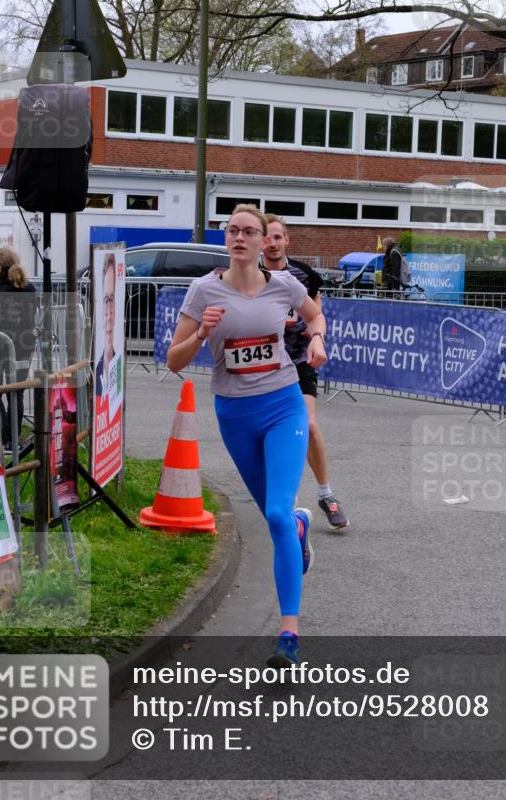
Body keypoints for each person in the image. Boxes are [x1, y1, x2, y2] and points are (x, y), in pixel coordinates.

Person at [167, 204, 327, 667]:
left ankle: (289, 636)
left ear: (263, 241)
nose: (240, 237)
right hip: (235, 415)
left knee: (276, 513)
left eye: (249, 231)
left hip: (282, 404)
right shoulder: (203, 291)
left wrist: (316, 339)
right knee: (276, 519)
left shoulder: (285, 286)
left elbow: (314, 318)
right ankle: (299, 527)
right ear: (227, 239)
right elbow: (174, 361)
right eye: (233, 230)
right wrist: (201, 336)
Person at [261, 214, 349, 529]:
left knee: (309, 426)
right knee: (267, 434)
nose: (272, 244)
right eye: (267, 238)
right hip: (263, 366)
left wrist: (314, 335)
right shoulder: (250, 275)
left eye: (277, 237)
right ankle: (280, 496)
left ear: (287, 241)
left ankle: (326, 494)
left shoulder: (303, 274)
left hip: (298, 361)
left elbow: (316, 313)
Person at [0, 247, 37, 452]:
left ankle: (1, 436)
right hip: (24, 347)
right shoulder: (29, 288)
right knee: (16, 393)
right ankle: (12, 439)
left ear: (0, 265)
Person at [95, 252, 120, 399]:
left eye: (112, 299)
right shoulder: (96, 369)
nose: (109, 312)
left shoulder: (117, 362)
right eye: (106, 300)